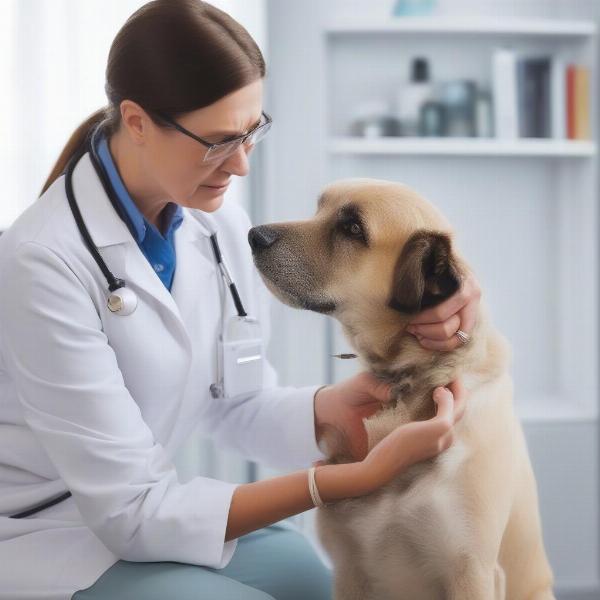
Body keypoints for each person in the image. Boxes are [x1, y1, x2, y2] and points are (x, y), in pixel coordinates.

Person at [0, 1, 482, 599]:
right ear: (138, 121)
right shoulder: (41, 260)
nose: (242, 164)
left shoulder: (215, 223)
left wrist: (330, 408)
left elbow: (238, 403)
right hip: (35, 535)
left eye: (253, 131)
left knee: (308, 579)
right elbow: (132, 513)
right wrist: (350, 480)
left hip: (136, 515)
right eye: (220, 141)